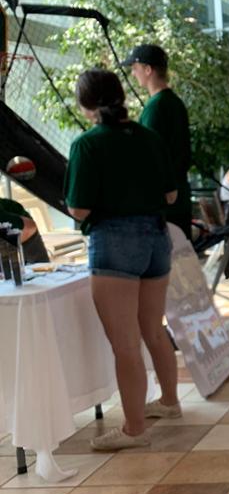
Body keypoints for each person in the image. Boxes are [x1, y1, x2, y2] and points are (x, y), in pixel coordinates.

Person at [63, 69, 182, 450]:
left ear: (86, 105)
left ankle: (134, 429)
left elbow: (79, 209)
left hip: (114, 243)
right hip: (156, 238)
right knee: (154, 327)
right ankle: (169, 402)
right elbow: (170, 196)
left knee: (126, 344)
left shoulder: (87, 145)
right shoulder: (149, 138)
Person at [127, 44, 193, 240]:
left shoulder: (156, 107)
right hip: (179, 196)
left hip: (162, 201)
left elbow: (149, 155)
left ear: (148, 70)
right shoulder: (175, 102)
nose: (133, 74)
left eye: (135, 68)